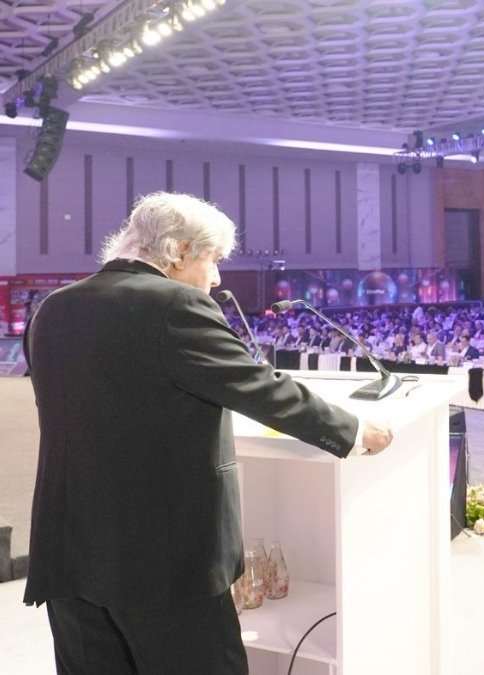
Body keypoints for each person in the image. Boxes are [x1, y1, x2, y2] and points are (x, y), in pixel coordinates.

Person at [22, 193, 394, 675]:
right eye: (213, 259)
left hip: (70, 554)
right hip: (164, 564)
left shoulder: (53, 308)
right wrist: (354, 431)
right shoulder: (174, 304)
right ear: (179, 251)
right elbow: (260, 387)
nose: (216, 278)